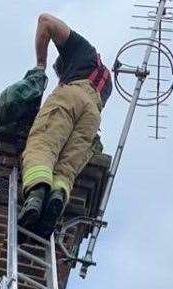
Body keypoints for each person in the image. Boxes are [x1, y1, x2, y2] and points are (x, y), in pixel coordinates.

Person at [19, 14, 112, 238]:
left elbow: (45, 21)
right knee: (66, 168)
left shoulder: (82, 51)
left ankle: (36, 193)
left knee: (43, 144)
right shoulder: (105, 83)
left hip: (71, 97)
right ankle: (56, 197)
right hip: (92, 117)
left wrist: (40, 66)